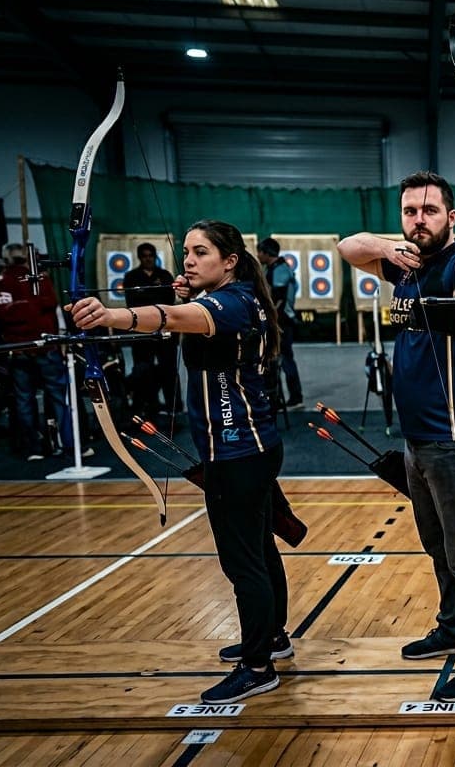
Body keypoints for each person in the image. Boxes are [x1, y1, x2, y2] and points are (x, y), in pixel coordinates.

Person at [70, 219, 290, 705]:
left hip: (238, 450)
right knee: (258, 547)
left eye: (201, 253)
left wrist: (111, 315)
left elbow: (173, 318)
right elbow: (183, 315)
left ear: (229, 261)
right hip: (248, 446)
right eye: (187, 252)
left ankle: (258, 667)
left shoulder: (227, 304)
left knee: (243, 561)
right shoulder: (240, 294)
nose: (188, 260)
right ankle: (271, 637)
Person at [338, 170, 455, 703]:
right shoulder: (405, 267)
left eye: (429, 211)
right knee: (437, 544)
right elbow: (349, 246)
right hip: (419, 439)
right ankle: (454, 627)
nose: (419, 220)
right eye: (410, 212)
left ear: (452, 217)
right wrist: (393, 247)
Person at [0, 244, 74, 460]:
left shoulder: (4, 285)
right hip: (38, 346)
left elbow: (8, 313)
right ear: (28, 259)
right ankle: (69, 446)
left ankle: (35, 448)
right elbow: (36, 307)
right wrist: (31, 306)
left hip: (22, 348)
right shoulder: (36, 281)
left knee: (26, 399)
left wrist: (21, 307)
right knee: (55, 397)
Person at [122, 242, 179, 417]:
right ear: (140, 257)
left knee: (169, 369)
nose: (148, 259)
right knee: (143, 369)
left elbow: (169, 300)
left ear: (155, 257)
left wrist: (148, 301)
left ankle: (174, 408)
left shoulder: (165, 275)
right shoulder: (131, 277)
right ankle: (148, 406)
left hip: (165, 331)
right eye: (144, 255)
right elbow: (132, 303)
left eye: (151, 255)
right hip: (142, 333)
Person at [257, 238, 303, 407]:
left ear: (266, 252)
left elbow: (279, 299)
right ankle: (278, 396)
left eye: (260, 251)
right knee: (280, 359)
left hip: (282, 321)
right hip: (278, 320)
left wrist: (271, 319)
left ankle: (295, 397)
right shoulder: (273, 268)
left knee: (285, 358)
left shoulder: (280, 269)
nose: (258, 255)